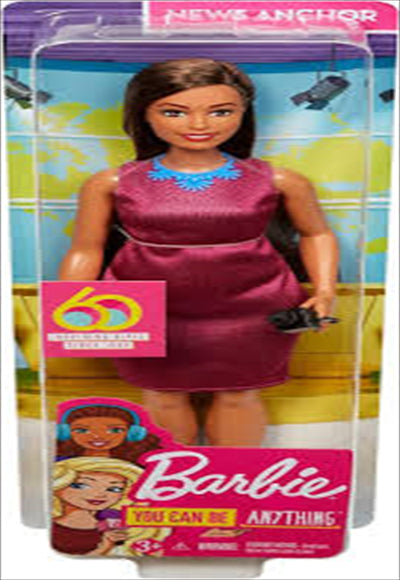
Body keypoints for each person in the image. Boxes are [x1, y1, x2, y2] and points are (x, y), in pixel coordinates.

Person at [59, 59, 339, 447]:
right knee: (162, 395)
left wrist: (324, 291)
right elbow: (85, 248)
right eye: (174, 112)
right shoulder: (112, 182)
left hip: (253, 307)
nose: (199, 124)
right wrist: (70, 306)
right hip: (147, 308)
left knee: (240, 394)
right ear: (144, 114)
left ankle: (235, 473)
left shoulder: (277, 180)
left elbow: (316, 233)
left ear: (243, 113)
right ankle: (174, 470)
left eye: (221, 111)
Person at [52, 457, 170, 556]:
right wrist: (105, 547)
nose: (100, 494)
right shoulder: (49, 527)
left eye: (114, 489)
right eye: (81, 486)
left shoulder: (118, 527)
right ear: (60, 484)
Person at [56, 403, 162, 466]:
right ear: (66, 432)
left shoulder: (137, 465)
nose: (97, 436)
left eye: (115, 430)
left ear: (133, 433)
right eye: (82, 430)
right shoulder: (59, 464)